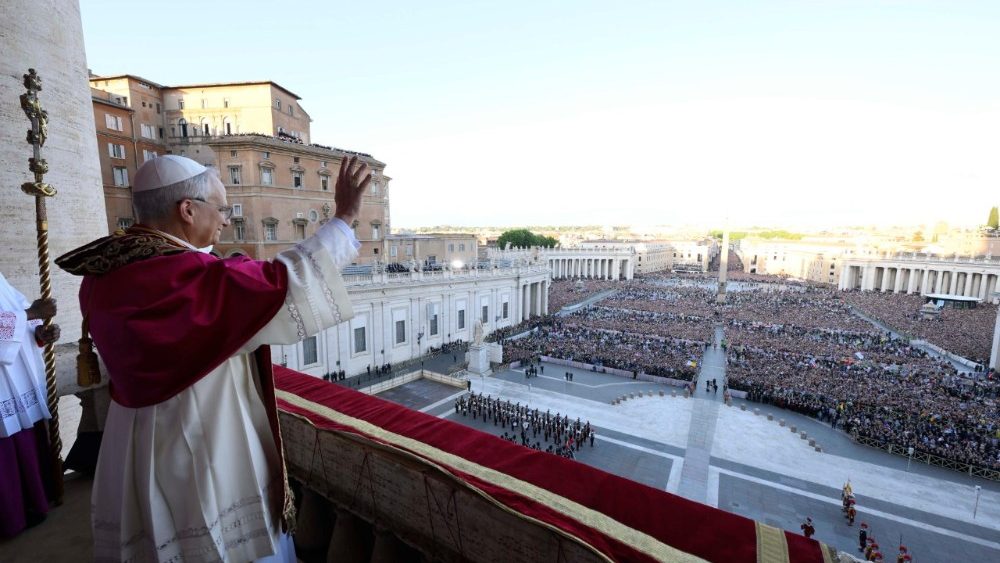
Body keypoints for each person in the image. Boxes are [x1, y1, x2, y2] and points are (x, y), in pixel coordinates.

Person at [56, 154, 370, 562]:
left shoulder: (107, 271)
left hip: (133, 435)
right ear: (187, 210)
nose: (225, 220)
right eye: (221, 208)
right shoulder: (185, 278)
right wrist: (343, 217)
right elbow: (281, 282)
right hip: (199, 433)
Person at [0, 274, 60, 538]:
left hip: (14, 379)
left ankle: (34, 504)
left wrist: (38, 331)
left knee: (25, 439)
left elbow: (14, 313)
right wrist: (33, 312)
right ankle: (10, 517)